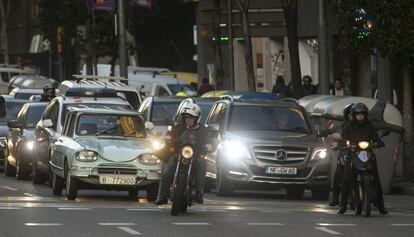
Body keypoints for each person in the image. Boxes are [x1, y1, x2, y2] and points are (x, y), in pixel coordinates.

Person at [338, 103, 388, 215]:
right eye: (358, 115)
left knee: (376, 180)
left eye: (362, 114)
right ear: (354, 115)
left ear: (365, 115)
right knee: (346, 179)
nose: (360, 117)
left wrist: (378, 143)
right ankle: (343, 206)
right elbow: (343, 139)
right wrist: (343, 144)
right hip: (354, 154)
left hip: (368, 154)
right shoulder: (349, 127)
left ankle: (381, 207)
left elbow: (376, 138)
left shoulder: (370, 126)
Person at [154, 103, 208, 205]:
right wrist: (169, 138)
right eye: (186, 117)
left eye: (191, 118)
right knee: (167, 171)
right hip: (178, 154)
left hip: (195, 156)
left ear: (196, 118)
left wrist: (209, 145)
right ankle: (162, 196)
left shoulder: (203, 129)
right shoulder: (179, 127)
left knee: (202, 164)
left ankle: (198, 192)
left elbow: (207, 140)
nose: (188, 120)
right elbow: (171, 134)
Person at [329, 103, 354, 207]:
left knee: (373, 170)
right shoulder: (344, 125)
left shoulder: (366, 124)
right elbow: (337, 132)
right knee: (339, 171)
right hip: (346, 151)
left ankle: (377, 200)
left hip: (361, 153)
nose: (356, 116)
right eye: (352, 114)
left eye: (360, 114)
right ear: (347, 115)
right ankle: (336, 196)